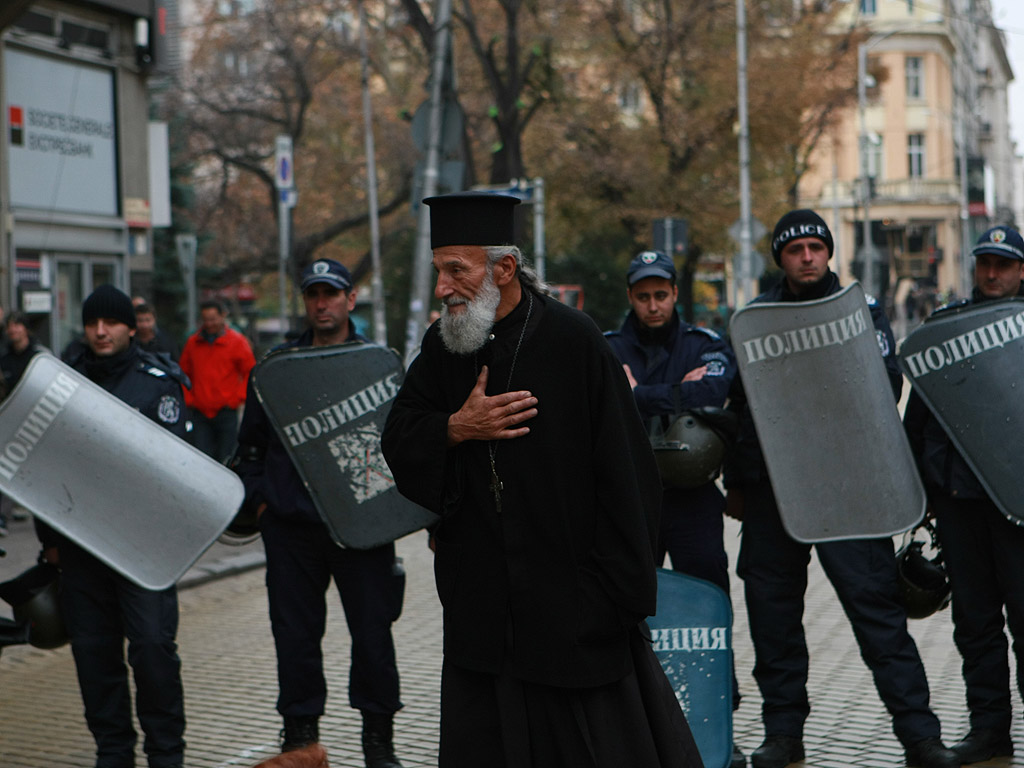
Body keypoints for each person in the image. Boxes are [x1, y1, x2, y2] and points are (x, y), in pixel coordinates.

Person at [381, 192, 701, 768]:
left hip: (574, 611)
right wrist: (455, 427)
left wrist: (615, 596)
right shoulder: (445, 344)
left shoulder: (575, 341)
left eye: (457, 270)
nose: (443, 288)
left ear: (503, 269)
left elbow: (630, 478)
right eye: (439, 271)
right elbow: (400, 436)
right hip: (484, 614)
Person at [722, 210, 959, 768]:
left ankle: (921, 738)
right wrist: (737, 481)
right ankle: (783, 733)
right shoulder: (755, 320)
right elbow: (740, 401)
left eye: (814, 246)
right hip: (771, 493)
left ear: (829, 253)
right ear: (779, 257)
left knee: (879, 617)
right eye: (795, 248)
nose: (806, 256)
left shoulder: (860, 311)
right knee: (772, 619)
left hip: (846, 487)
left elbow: (883, 382)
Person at [234, 259, 406, 767]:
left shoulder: (375, 364)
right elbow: (250, 451)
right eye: (313, 294)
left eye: (332, 293)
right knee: (295, 639)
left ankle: (379, 742)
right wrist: (261, 502)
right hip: (292, 532)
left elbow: (403, 446)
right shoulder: (276, 371)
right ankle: (300, 741)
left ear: (351, 299)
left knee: (373, 637)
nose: (322, 303)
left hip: (365, 529)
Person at [38, 284, 188, 768]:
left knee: (152, 650)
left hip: (143, 549)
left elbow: (179, 470)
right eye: (92, 323)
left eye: (111, 322)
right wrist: (50, 542)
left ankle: (166, 754)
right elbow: (43, 466)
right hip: (82, 549)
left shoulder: (157, 380)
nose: (100, 331)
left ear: (131, 326)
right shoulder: (62, 382)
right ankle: (113, 753)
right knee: (95, 658)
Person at [605, 249, 743, 767]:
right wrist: (677, 397)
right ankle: (634, 727)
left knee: (710, 607)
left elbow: (715, 389)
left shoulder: (704, 343)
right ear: (631, 298)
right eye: (643, 296)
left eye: (661, 295)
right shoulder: (607, 346)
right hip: (631, 502)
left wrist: (640, 394)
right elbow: (601, 399)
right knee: (629, 608)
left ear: (674, 295)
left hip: (693, 502)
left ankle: (722, 717)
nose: (653, 305)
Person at [904, 225, 1024, 765]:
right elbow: (918, 419)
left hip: (1018, 507)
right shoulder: (944, 330)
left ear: (1022, 270)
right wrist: (923, 491)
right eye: (985, 264)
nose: (992, 274)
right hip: (958, 500)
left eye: (1003, 264)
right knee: (975, 625)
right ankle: (989, 731)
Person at [179, 299, 255, 462]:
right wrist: (189, 399)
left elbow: (250, 372)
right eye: (205, 319)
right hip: (200, 412)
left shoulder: (237, 342)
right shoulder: (193, 343)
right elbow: (184, 373)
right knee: (201, 457)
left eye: (213, 319)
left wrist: (237, 398)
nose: (209, 323)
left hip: (226, 411)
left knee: (227, 457)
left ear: (223, 316)